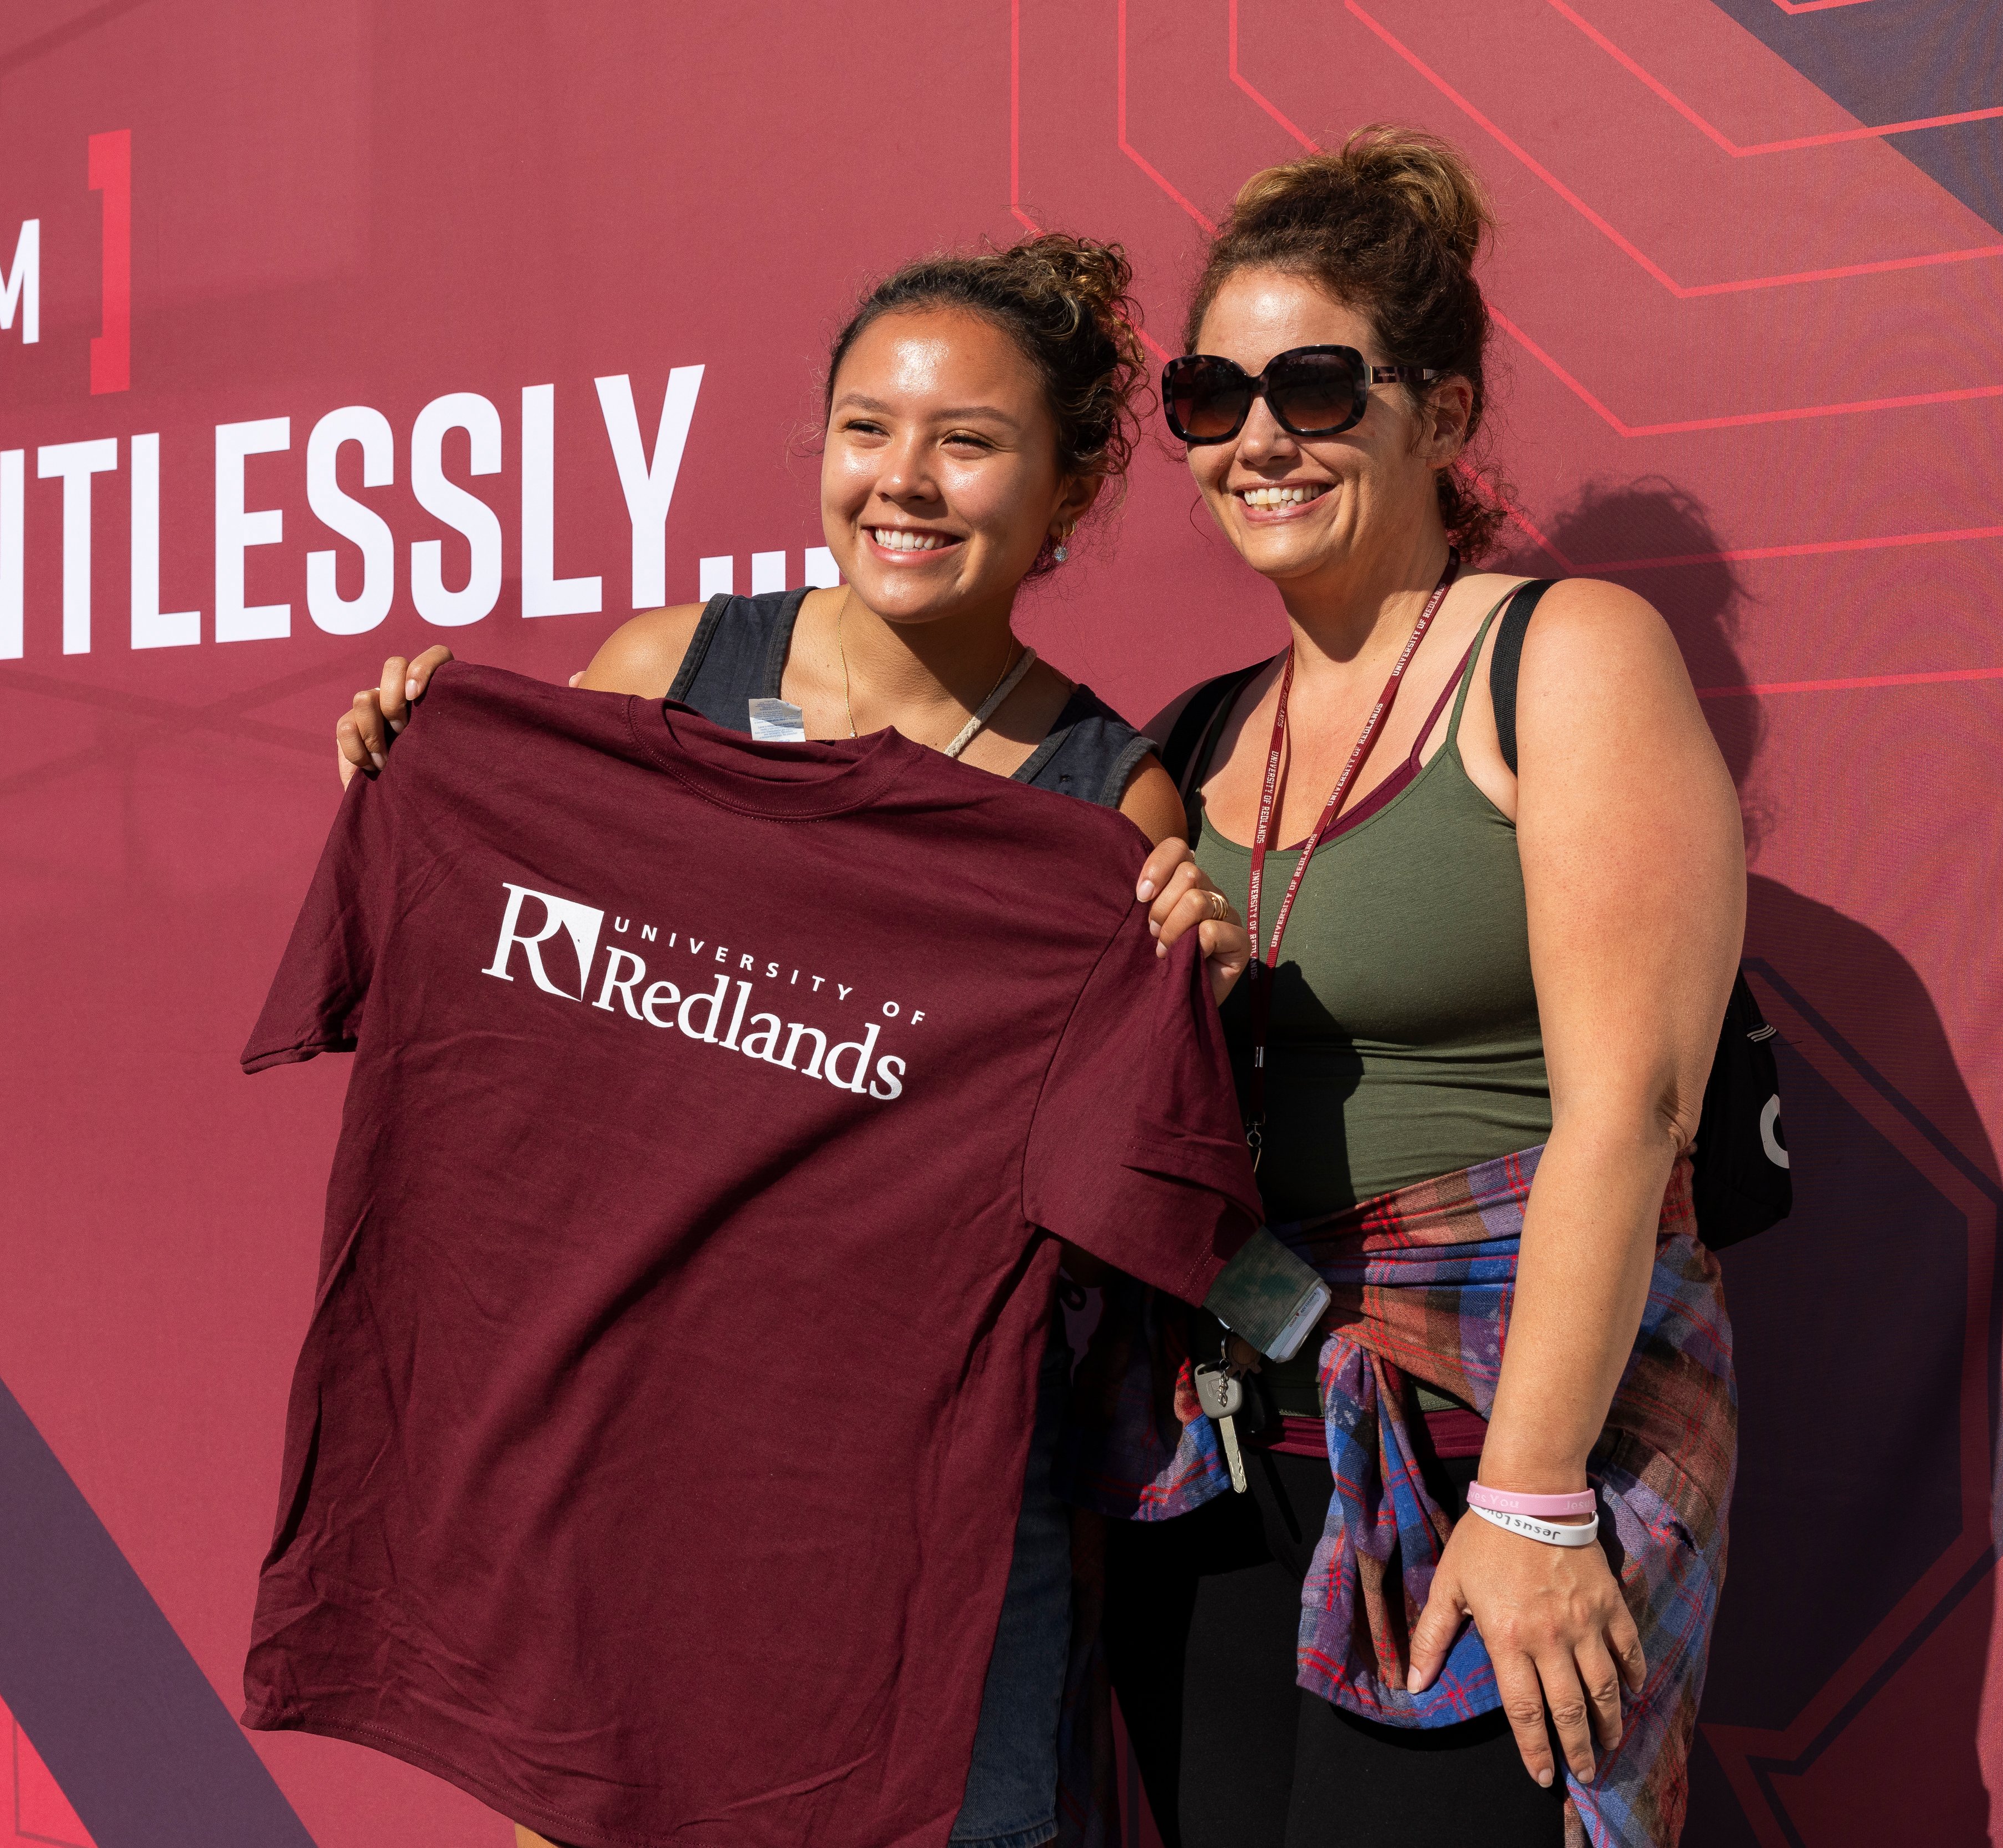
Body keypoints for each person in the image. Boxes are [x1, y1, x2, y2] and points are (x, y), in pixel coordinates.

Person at [331, 235, 1246, 1848]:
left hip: (920, 1531)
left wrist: (1190, 994)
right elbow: (521, 1057)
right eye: (866, 428)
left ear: (1069, 489)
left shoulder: (1109, 811)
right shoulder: (660, 677)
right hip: (630, 1478)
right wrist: (419, 766)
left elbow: (1120, 1209)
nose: (905, 480)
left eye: (969, 441)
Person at [1066, 127, 1742, 1847]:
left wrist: (1532, 1503)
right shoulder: (1190, 736)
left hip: (1490, 1452)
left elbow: (1631, 1111)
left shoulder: (1563, 659)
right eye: (1211, 397)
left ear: (1443, 414)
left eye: (1314, 387)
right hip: (1229, 1462)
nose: (1257, 439)